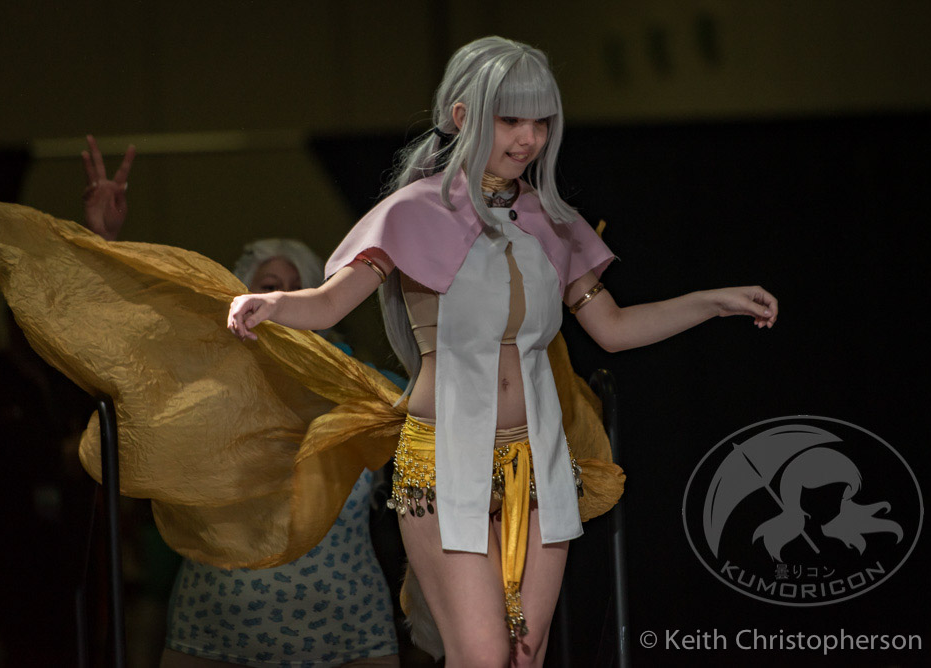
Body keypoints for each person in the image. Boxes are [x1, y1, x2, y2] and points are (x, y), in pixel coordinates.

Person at [227, 36, 777, 668]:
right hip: (443, 459)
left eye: (541, 122)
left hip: (540, 460)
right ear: (463, 116)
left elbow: (614, 328)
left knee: (524, 656)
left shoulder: (550, 219)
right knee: (484, 657)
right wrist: (273, 303)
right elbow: (327, 304)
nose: (529, 138)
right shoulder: (412, 212)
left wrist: (711, 302)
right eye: (512, 119)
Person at [79, 137, 400, 668]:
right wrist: (102, 240)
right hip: (216, 632)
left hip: (347, 634)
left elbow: (430, 404)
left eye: (297, 290)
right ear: (241, 297)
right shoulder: (202, 377)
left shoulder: (359, 383)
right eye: (270, 286)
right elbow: (118, 346)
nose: (280, 301)